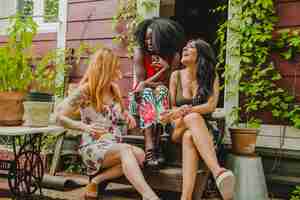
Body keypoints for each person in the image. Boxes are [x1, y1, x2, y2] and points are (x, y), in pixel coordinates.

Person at [56, 48, 161, 200]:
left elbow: (121, 111)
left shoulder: (114, 89)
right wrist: (84, 127)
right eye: (115, 66)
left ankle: (97, 180)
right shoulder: (86, 90)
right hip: (93, 145)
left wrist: (128, 115)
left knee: (140, 155)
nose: (118, 69)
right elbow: (58, 117)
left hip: (113, 143)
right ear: (105, 68)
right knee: (126, 150)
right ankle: (148, 195)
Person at [160, 39, 235, 200]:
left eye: (191, 47)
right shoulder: (176, 76)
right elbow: (172, 108)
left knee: (190, 136)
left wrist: (186, 110)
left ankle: (185, 198)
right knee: (192, 119)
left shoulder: (211, 75)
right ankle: (217, 172)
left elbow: (211, 106)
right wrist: (183, 112)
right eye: (185, 46)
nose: (185, 48)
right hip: (177, 127)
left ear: (201, 54)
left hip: (203, 130)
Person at [130, 17, 185, 168]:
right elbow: (141, 84)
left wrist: (160, 78)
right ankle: (150, 147)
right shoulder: (140, 52)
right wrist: (164, 70)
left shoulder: (173, 56)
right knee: (148, 92)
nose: (148, 42)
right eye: (146, 38)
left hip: (162, 100)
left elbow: (170, 85)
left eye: (152, 38)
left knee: (161, 90)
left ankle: (157, 143)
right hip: (139, 102)